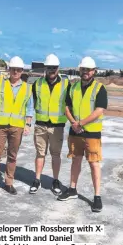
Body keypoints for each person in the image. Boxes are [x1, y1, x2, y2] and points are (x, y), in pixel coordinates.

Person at [57, 56, 108, 213]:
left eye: (88, 69)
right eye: (83, 69)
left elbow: (99, 110)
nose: (85, 72)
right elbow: (67, 107)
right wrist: (74, 122)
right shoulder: (73, 87)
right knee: (76, 160)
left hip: (91, 132)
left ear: (94, 71)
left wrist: (81, 123)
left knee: (94, 163)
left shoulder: (100, 88)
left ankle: (97, 196)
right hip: (75, 131)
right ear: (80, 70)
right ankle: (72, 189)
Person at [0, 56, 34, 197]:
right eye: (13, 69)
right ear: (9, 70)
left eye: (18, 70)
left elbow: (30, 108)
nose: (16, 72)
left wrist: (28, 124)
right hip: (0, 125)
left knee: (12, 156)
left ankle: (8, 182)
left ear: (22, 71)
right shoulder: (1, 83)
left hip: (17, 127)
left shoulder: (27, 88)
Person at [29, 54, 70, 195]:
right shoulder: (37, 84)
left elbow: (71, 104)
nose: (52, 70)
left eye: (54, 67)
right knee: (40, 153)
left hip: (57, 126)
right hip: (40, 125)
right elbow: (31, 104)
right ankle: (37, 180)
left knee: (56, 154)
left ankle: (55, 180)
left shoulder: (66, 84)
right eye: (49, 67)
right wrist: (27, 121)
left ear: (58, 68)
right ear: (45, 68)